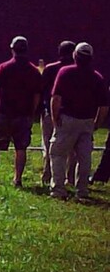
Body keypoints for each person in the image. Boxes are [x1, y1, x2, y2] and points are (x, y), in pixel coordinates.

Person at [49, 42, 109, 200]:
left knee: (58, 154)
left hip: (67, 119)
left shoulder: (65, 72)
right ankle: (82, 190)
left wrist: (55, 118)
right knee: (84, 158)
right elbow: (104, 105)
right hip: (87, 121)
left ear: (75, 56)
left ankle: (58, 189)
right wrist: (97, 123)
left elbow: (56, 98)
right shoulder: (97, 77)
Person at [0, 36, 42, 187]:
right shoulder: (33, 70)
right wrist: (32, 111)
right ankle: (17, 179)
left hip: (5, 113)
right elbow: (37, 94)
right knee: (21, 148)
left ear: (12, 49)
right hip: (24, 114)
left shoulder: (4, 67)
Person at [40, 41, 77, 186]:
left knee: (49, 144)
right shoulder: (76, 71)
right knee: (72, 147)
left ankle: (47, 175)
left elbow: (43, 91)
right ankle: (70, 178)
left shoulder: (50, 69)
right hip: (71, 113)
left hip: (50, 112)